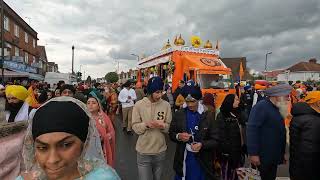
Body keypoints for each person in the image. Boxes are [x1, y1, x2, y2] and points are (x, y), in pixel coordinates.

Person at [16, 96, 120, 180]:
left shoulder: (103, 177)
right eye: (42, 147)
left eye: (65, 145)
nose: (52, 160)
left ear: (84, 144)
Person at [169, 82, 219, 180]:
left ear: (199, 100)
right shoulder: (179, 114)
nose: (190, 105)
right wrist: (179, 136)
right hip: (183, 158)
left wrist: (202, 144)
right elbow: (171, 133)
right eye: (187, 102)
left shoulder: (208, 115)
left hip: (202, 160)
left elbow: (216, 139)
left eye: (193, 101)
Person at [247, 84, 292, 180]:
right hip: (263, 156)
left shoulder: (277, 107)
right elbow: (252, 130)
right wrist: (253, 153)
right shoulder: (261, 107)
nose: (288, 99)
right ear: (277, 97)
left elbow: (280, 132)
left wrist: (282, 153)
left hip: (273, 155)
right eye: (286, 96)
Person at [132, 76, 172, 180]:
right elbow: (135, 127)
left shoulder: (166, 105)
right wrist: (145, 125)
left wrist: (163, 126)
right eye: (157, 92)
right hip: (143, 151)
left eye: (161, 92)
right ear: (150, 91)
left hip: (160, 150)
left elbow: (169, 127)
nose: (159, 95)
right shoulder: (139, 105)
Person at [289, 91, 320, 180]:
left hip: (298, 165)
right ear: (318, 103)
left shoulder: (300, 115)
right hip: (310, 169)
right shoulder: (313, 120)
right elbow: (310, 150)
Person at [216, 94, 245, 180]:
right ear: (230, 101)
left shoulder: (238, 113)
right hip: (228, 155)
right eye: (236, 100)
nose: (238, 101)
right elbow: (221, 136)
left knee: (237, 176)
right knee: (227, 175)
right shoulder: (222, 116)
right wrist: (227, 152)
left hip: (238, 152)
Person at [87, 91, 116, 168]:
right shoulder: (84, 119)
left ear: (98, 105)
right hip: (89, 151)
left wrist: (104, 137)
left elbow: (112, 132)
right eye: (88, 103)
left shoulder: (104, 117)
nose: (90, 105)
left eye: (93, 103)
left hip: (103, 150)